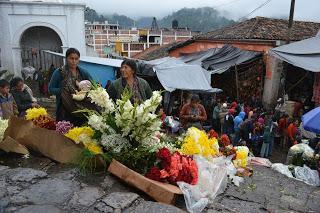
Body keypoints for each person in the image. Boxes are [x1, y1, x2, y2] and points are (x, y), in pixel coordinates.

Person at [49, 48, 92, 124]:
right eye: (71, 58)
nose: (74, 61)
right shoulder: (59, 73)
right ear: (66, 58)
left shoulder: (83, 72)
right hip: (64, 111)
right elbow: (51, 89)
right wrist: (64, 91)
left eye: (76, 59)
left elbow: (93, 85)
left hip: (81, 111)